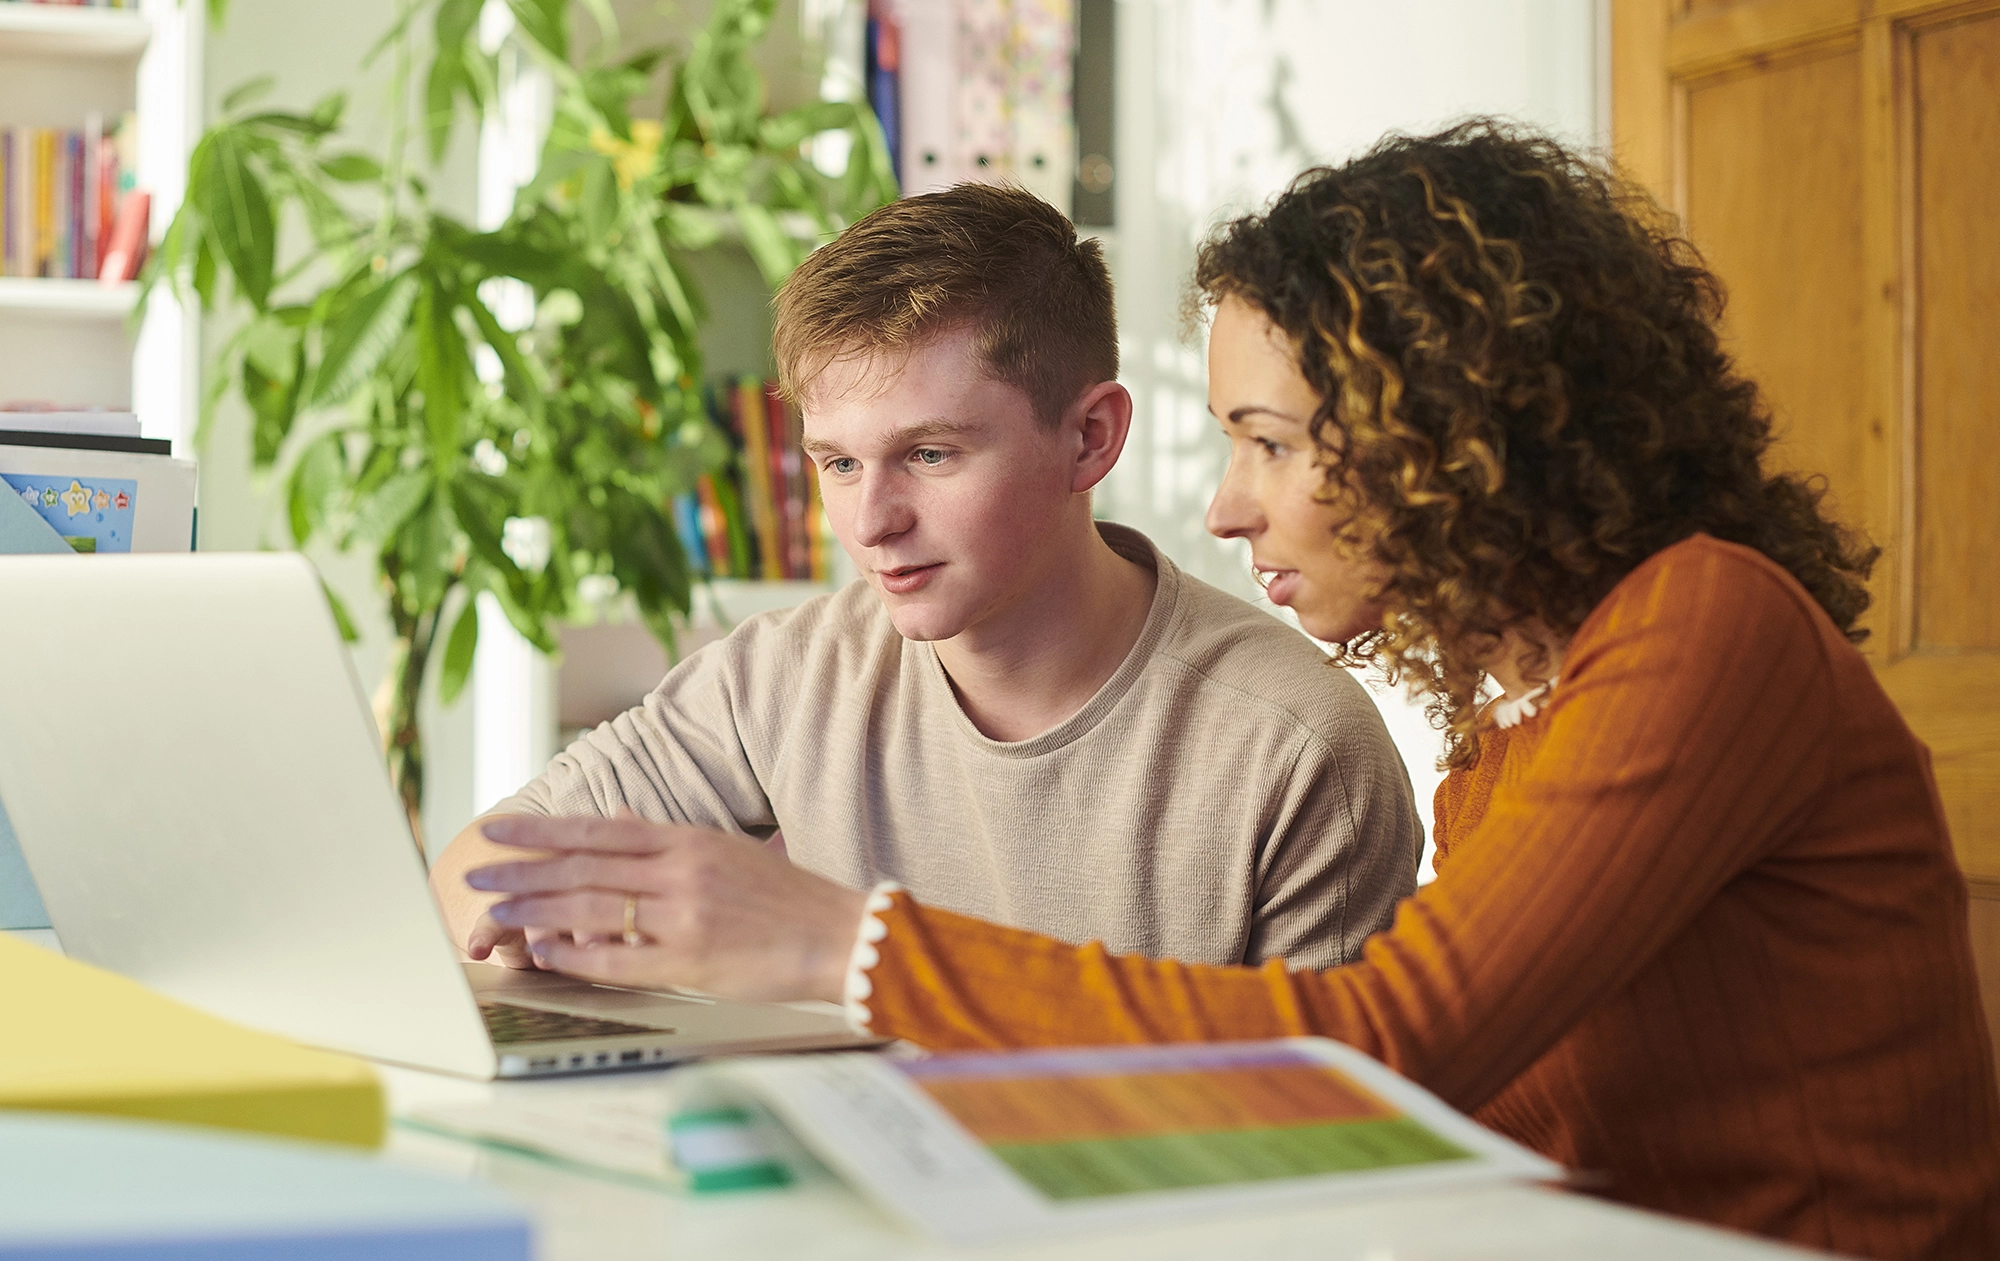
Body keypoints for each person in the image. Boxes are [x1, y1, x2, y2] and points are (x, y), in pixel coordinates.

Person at [461, 124, 2000, 1261]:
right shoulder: (1525, 706)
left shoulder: (1706, 630)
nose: (1226, 502)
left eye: (1271, 439)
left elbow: (1384, 1057)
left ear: (1449, 430)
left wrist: (838, 945)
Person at [434, 183, 1421, 976]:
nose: (871, 523)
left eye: (930, 455)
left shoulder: (1294, 750)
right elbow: (473, 876)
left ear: (1088, 439)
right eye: (838, 463)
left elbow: (1315, 1147)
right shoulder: (779, 679)